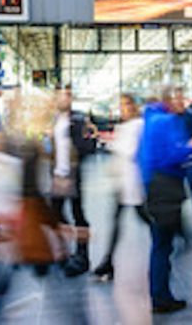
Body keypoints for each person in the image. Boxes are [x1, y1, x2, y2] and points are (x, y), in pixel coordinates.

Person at [138, 86, 192, 314]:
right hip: (165, 186)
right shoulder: (166, 121)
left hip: (154, 186)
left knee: (161, 243)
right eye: (179, 98)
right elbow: (172, 154)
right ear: (168, 100)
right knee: (162, 245)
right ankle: (160, 297)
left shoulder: (151, 119)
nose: (184, 102)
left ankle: (161, 294)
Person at [92, 94, 152, 281]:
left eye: (127, 104)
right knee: (117, 220)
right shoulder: (124, 127)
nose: (123, 109)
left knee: (145, 217)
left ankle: (171, 234)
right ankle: (108, 261)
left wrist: (115, 146)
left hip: (135, 181)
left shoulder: (139, 125)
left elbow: (134, 151)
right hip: (123, 183)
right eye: (121, 105)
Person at [50, 85, 97, 277]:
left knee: (79, 216)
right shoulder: (54, 120)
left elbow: (88, 145)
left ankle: (83, 256)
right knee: (55, 216)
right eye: (62, 95)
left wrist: (85, 142)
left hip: (73, 176)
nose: (65, 99)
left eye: (68, 95)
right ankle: (64, 253)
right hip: (57, 175)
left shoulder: (78, 119)